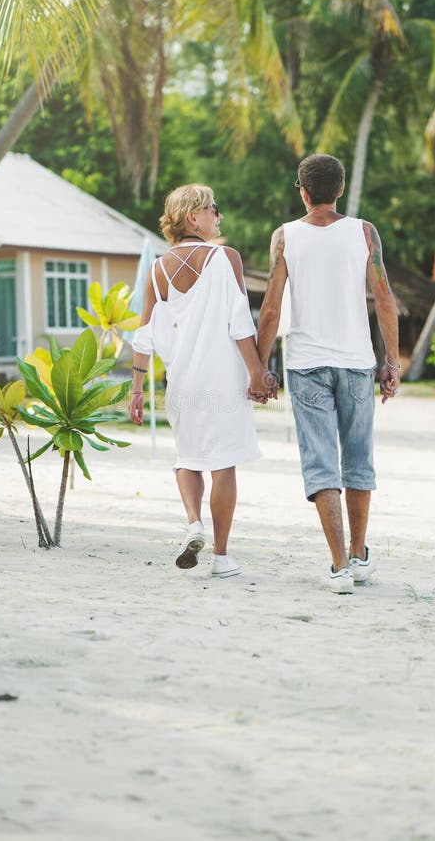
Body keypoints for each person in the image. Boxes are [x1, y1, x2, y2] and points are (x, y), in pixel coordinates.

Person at [257, 154, 400, 594]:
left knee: (320, 462)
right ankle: (359, 557)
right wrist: (392, 362)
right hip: (357, 363)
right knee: (358, 458)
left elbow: (271, 308)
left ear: (302, 191)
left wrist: (259, 368)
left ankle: (338, 564)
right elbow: (385, 299)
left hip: (306, 365)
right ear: (339, 189)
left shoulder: (285, 237)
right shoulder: (364, 232)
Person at [129, 184, 277, 578]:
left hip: (182, 384)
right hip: (223, 381)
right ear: (193, 217)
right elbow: (239, 323)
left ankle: (194, 523)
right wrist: (257, 373)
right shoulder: (226, 257)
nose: (219, 216)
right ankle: (222, 557)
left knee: (187, 459)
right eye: (214, 209)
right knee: (222, 465)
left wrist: (137, 388)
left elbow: (143, 334)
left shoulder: (157, 271)